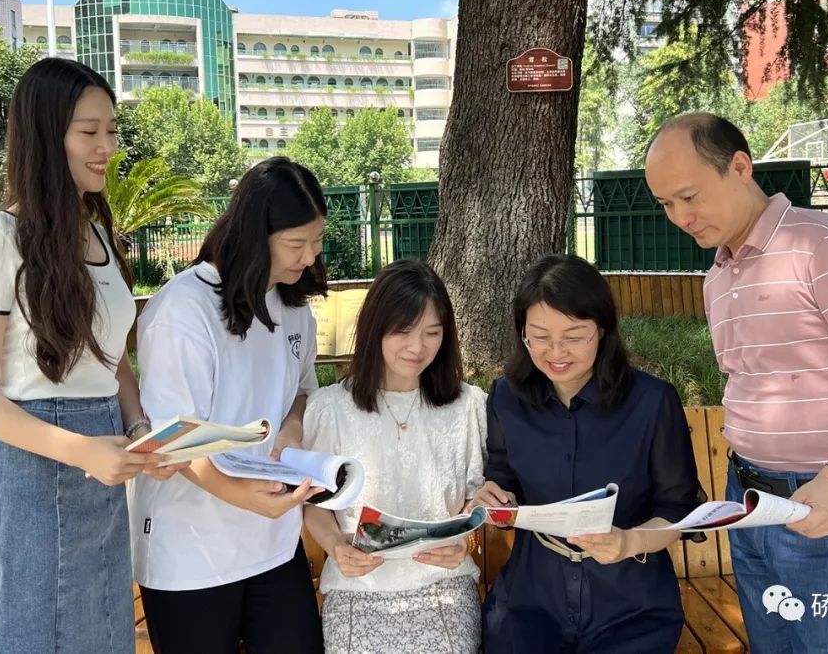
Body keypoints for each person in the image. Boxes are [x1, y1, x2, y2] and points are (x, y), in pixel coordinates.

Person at [645, 112, 828, 654]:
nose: (680, 217)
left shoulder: (825, 246)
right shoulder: (719, 275)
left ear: (740, 167)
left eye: (689, 196)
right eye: (665, 204)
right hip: (751, 504)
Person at [0, 58, 179, 654]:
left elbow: (114, 359)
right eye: (89, 131)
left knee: (103, 631)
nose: (108, 146)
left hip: (104, 461)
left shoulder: (98, 233)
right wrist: (83, 450)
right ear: (46, 135)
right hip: (35, 470)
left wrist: (139, 430)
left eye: (112, 130)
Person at [128, 156, 329, 654]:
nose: (309, 257)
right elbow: (175, 438)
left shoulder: (294, 307)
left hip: (273, 544)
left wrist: (292, 428)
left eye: (317, 241)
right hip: (190, 555)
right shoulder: (184, 310)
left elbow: (303, 389)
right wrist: (244, 496)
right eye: (296, 244)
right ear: (254, 236)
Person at [471, 254, 705, 653]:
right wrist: (495, 499)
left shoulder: (652, 402)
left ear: (603, 329)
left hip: (631, 604)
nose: (555, 352)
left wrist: (628, 542)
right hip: (530, 599)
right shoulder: (507, 397)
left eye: (574, 336)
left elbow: (679, 509)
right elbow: (503, 477)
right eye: (539, 336)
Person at [302, 259, 487, 654]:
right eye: (402, 331)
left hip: (442, 585)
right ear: (375, 328)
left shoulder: (468, 406)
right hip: (358, 587)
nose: (417, 348)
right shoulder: (330, 408)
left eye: (432, 333)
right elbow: (315, 504)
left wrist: (466, 542)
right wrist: (336, 547)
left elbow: (477, 500)